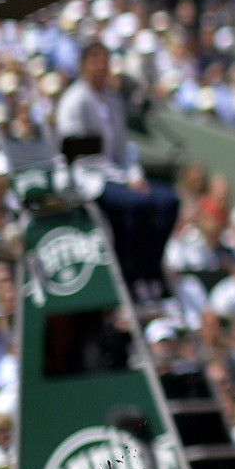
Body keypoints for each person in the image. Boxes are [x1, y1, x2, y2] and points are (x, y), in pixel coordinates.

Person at [56, 42, 180, 298]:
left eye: (105, 59)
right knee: (138, 204)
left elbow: (122, 148)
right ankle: (131, 272)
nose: (101, 65)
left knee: (169, 201)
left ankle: (151, 266)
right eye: (94, 59)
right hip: (87, 179)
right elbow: (80, 155)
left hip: (116, 175)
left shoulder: (113, 101)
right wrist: (124, 178)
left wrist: (133, 174)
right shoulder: (74, 102)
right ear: (82, 64)